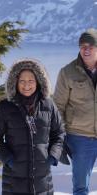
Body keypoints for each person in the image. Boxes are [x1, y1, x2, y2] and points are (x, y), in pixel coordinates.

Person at [0, 59, 66, 195]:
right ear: (15, 82)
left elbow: (59, 134)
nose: (26, 85)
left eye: (31, 81)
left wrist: (52, 157)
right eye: (22, 81)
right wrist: (9, 160)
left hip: (43, 181)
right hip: (14, 180)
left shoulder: (48, 105)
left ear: (39, 82)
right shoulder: (5, 106)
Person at [53, 28, 97, 195]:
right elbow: (57, 107)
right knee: (80, 188)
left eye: (90, 46)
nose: (86, 50)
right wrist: (60, 136)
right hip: (79, 137)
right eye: (82, 46)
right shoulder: (67, 72)